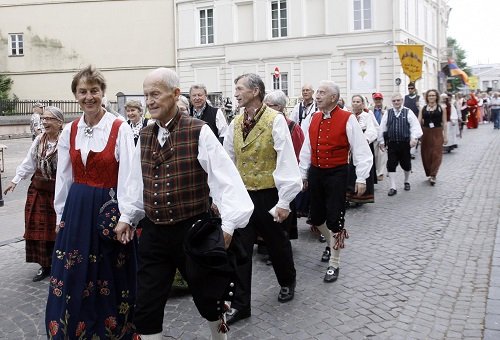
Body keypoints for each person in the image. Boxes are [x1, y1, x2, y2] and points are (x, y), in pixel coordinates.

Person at [130, 68, 253, 340]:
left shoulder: (200, 131)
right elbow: (136, 180)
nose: (149, 101)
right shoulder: (145, 135)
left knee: (209, 298)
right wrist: (129, 216)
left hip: (193, 230)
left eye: (156, 94)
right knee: (146, 304)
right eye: (146, 95)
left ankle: (219, 337)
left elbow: (225, 179)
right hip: (154, 232)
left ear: (175, 94)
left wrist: (230, 224)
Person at [45, 65, 140, 339]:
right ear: (75, 95)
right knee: (75, 272)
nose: (89, 97)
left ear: (102, 93)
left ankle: (112, 329)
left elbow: (130, 175)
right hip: (76, 209)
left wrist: (127, 217)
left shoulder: (119, 127)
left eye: (94, 91)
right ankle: (76, 329)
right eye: (83, 91)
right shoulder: (70, 130)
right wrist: (61, 215)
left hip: (109, 209)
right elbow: (63, 177)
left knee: (111, 270)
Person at [224, 73, 302, 325]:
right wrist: (226, 195)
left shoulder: (275, 120)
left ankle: (287, 280)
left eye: (239, 89)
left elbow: (287, 159)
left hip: (269, 194)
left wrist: (284, 201)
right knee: (241, 250)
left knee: (277, 243)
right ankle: (240, 304)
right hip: (243, 195)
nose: (235, 93)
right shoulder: (235, 123)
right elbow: (228, 160)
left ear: (255, 91)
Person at [299, 81, 372, 283]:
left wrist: (362, 177)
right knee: (316, 217)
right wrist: (303, 174)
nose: (317, 95)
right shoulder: (312, 118)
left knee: (335, 219)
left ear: (333, 97)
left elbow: (360, 149)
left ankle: (334, 262)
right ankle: (331, 242)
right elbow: (307, 148)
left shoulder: (347, 118)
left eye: (322, 93)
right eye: (317, 92)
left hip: (337, 174)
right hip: (316, 172)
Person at [4, 106, 64, 282]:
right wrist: (14, 180)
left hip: (57, 193)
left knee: (58, 230)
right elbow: (28, 163)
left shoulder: (65, 142)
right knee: (39, 229)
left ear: (60, 123)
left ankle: (58, 264)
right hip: (38, 190)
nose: (45, 122)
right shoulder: (39, 140)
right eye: (44, 118)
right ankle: (44, 265)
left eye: (49, 119)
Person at [264, 89, 305, 240]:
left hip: (284, 176)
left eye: (270, 105)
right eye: (265, 105)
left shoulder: (293, 127)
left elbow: (299, 153)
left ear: (280, 107)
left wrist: (300, 176)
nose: (266, 108)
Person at [378, 93, 423, 196]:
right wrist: (381, 141)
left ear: (402, 101)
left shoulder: (408, 112)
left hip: (405, 143)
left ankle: (406, 181)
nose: (396, 102)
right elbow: (382, 127)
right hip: (392, 143)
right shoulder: (388, 113)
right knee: (391, 164)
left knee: (406, 165)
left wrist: (414, 138)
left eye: (398, 100)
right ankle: (393, 187)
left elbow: (415, 126)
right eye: (394, 101)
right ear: (392, 102)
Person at [346, 95, 378, 205]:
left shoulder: (367, 116)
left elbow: (372, 130)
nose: (355, 103)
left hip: (364, 146)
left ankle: (360, 196)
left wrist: (365, 139)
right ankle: (349, 196)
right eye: (353, 101)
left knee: (362, 169)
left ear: (362, 104)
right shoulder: (348, 115)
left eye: (358, 101)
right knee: (350, 171)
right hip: (351, 147)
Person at [418, 89, 447, 186]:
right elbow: (418, 122)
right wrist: (417, 136)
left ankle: (433, 175)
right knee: (426, 154)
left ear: (436, 97)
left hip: (437, 131)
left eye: (433, 95)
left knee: (437, 153)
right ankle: (429, 172)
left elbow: (445, 123)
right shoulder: (423, 108)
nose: (431, 97)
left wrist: (445, 136)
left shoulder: (441, 108)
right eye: (429, 95)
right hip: (426, 132)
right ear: (427, 97)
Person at [404, 82, 422, 159]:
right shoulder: (406, 97)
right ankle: (408, 150)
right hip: (407, 118)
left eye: (411, 88)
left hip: (416, 118)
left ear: (414, 89)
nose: (410, 90)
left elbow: (421, 109)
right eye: (409, 88)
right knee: (408, 134)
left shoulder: (418, 97)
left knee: (415, 134)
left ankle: (413, 152)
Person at [371, 92, 387, 181]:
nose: (378, 101)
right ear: (373, 100)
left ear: (382, 100)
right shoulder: (370, 109)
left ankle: (380, 173)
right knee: (375, 154)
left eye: (379, 99)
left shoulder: (386, 109)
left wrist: (384, 114)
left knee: (382, 154)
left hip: (383, 134)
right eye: (376, 99)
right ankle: (375, 171)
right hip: (373, 134)